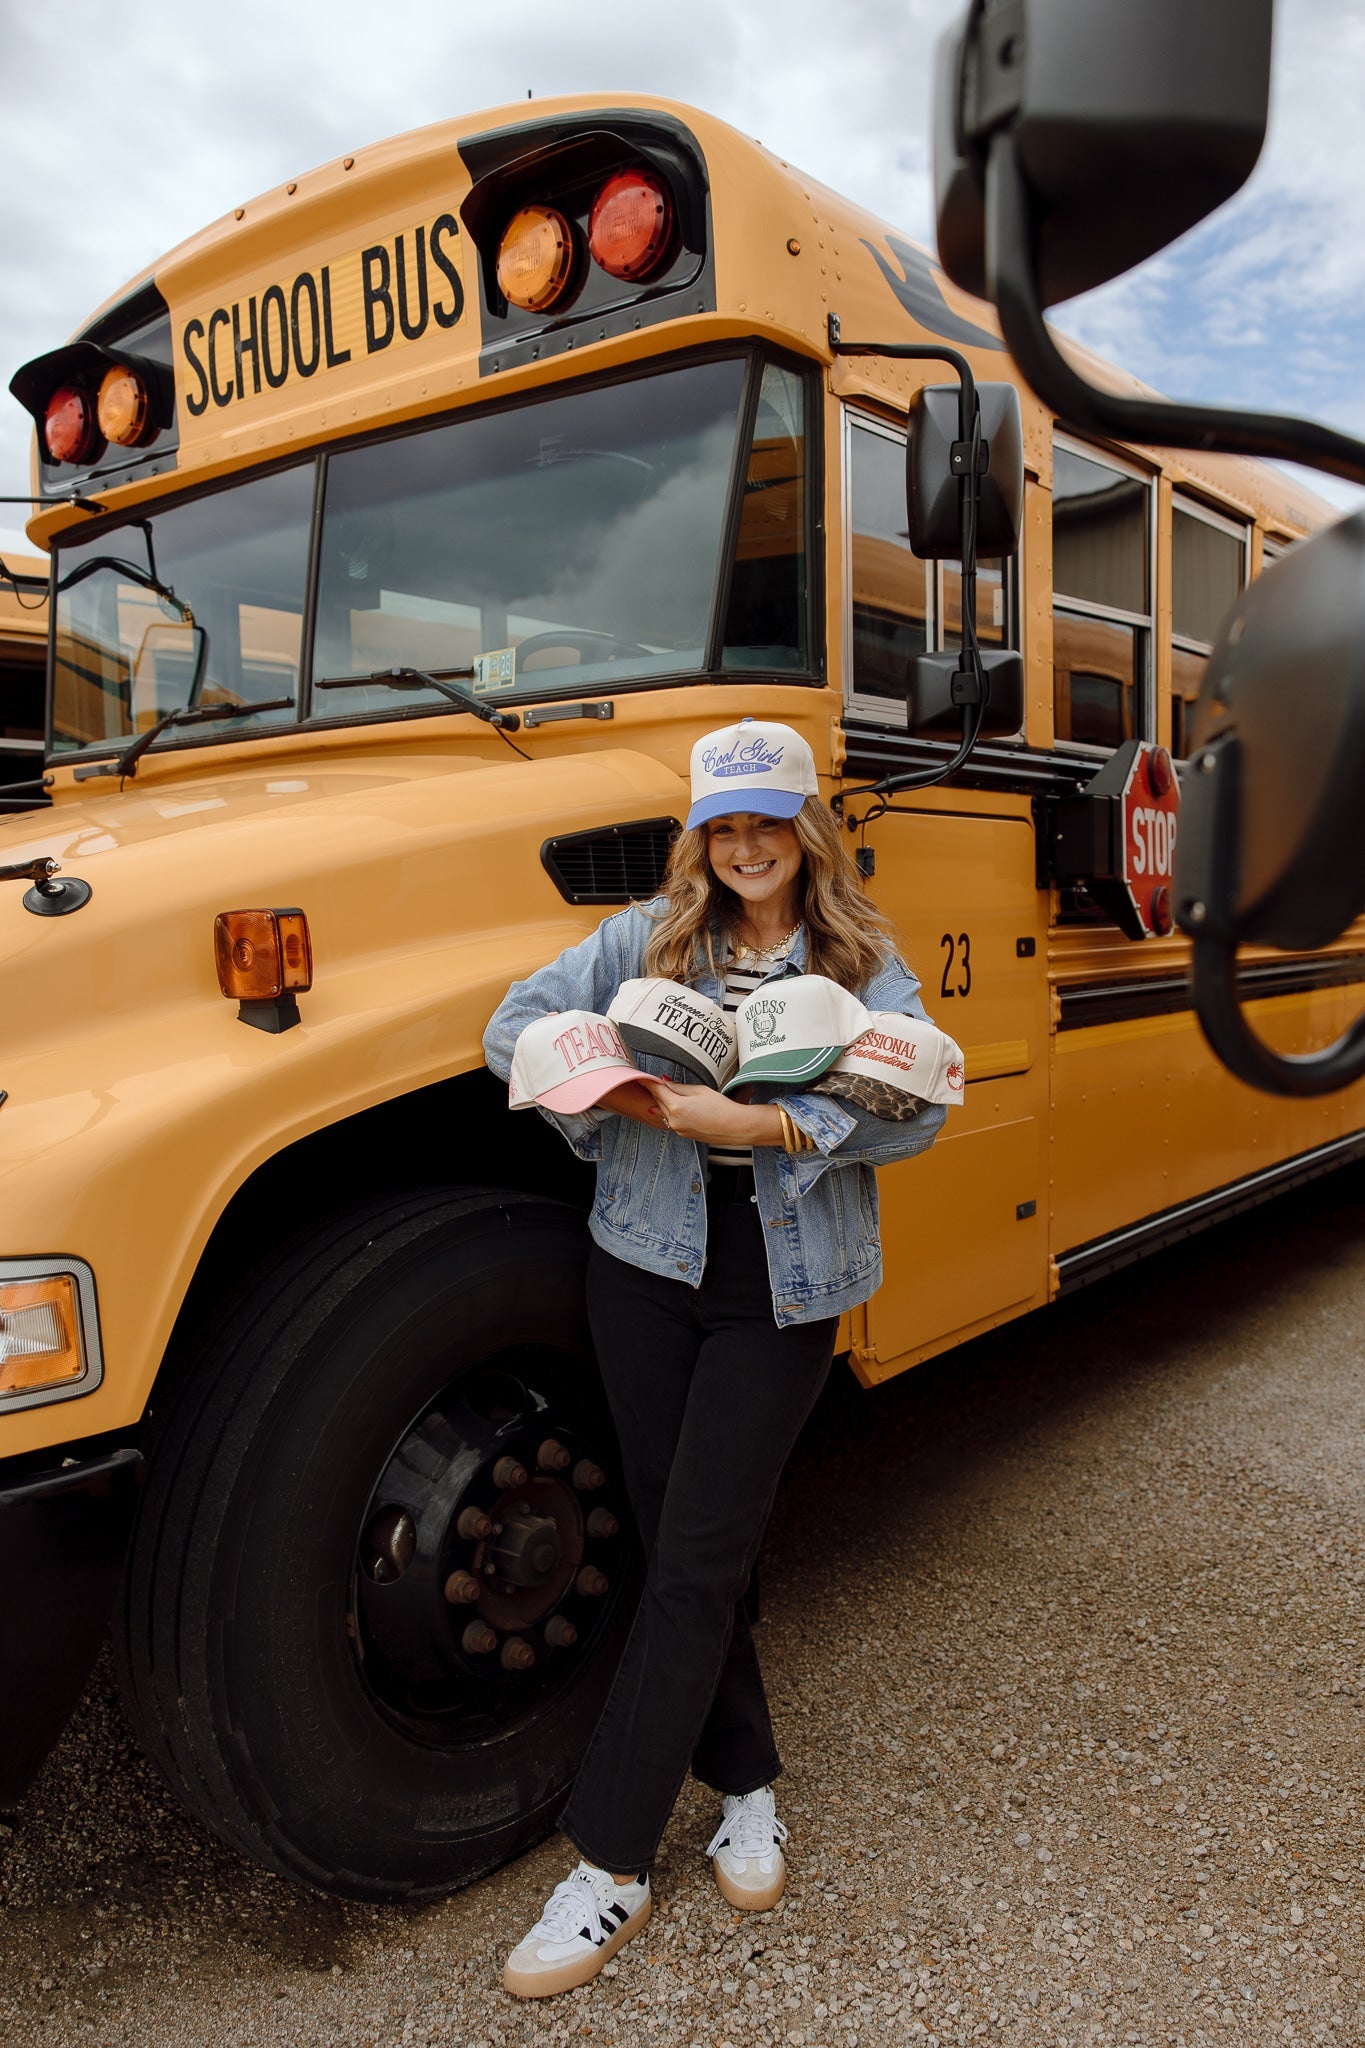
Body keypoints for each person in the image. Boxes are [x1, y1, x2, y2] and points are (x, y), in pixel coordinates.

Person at [481, 718, 946, 1999]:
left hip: (783, 1293)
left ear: (807, 828)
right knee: (687, 1536)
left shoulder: (861, 959)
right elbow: (513, 1027)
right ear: (701, 833)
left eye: (765, 821)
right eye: (721, 823)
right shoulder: (644, 938)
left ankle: (611, 1862)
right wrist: (632, 1102)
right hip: (641, 1269)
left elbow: (920, 1106)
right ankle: (745, 1784)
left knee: (692, 1557)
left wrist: (766, 1120)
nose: (743, 845)